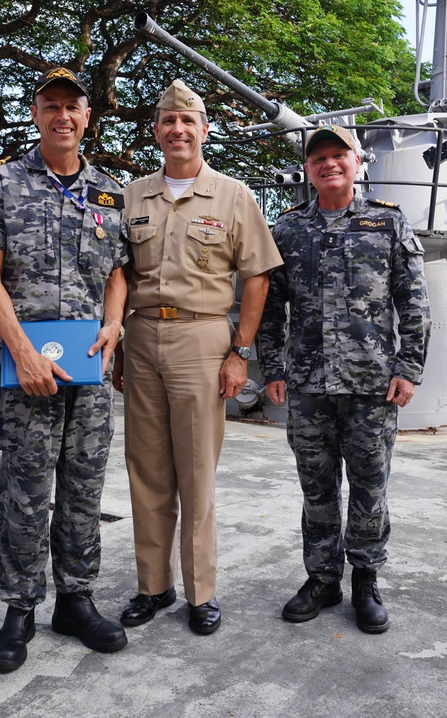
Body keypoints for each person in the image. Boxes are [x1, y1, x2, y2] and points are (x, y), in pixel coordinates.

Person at [0, 67, 129, 672]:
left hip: (87, 373)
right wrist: (21, 352)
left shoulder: (109, 193)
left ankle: (76, 599)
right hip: (26, 371)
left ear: (88, 116)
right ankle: (19, 608)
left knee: (83, 489)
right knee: (25, 489)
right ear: (35, 113)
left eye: (73, 106)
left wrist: (115, 324)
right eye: (50, 105)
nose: (62, 116)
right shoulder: (3, 183)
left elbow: (118, 272)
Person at [116, 80, 282, 635]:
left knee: (196, 476)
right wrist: (118, 344)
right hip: (140, 339)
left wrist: (239, 352)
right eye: (169, 121)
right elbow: (120, 274)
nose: (178, 130)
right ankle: (153, 586)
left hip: (202, 340)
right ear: (157, 130)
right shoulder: (132, 195)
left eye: (189, 122)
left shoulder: (233, 195)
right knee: (147, 471)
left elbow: (256, 278)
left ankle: (201, 592)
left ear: (204, 130)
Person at [258, 124, 431, 634]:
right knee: (316, 488)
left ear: (357, 162)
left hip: (371, 386)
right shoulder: (287, 230)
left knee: (369, 487)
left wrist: (409, 367)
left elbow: (414, 302)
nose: (329, 164)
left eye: (338, 156)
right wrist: (272, 369)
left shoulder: (387, 224)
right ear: (308, 169)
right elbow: (270, 309)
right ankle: (322, 579)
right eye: (318, 159)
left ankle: (365, 579)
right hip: (309, 385)